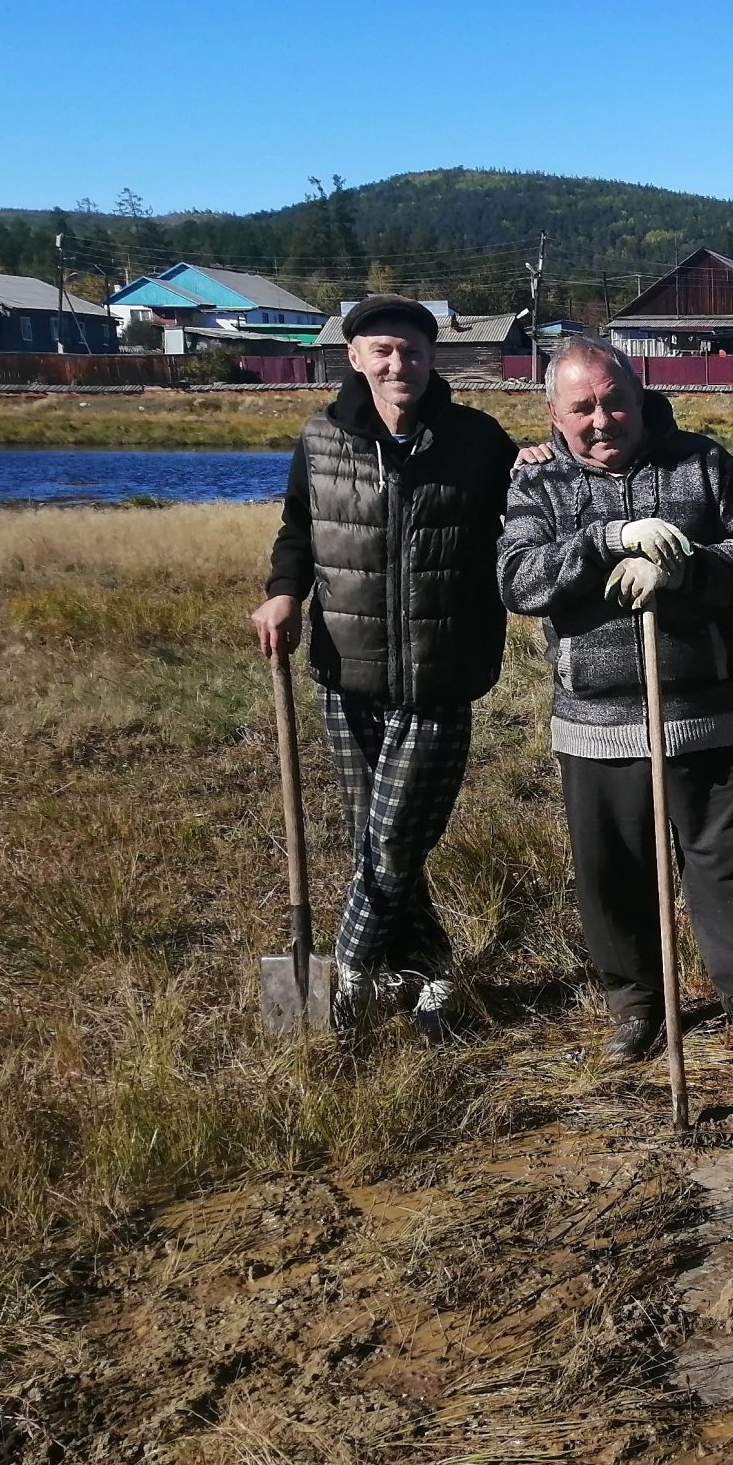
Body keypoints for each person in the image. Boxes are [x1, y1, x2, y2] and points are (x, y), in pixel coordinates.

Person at [497, 338, 733, 1059]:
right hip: (597, 722)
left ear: (639, 395)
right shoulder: (537, 485)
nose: (602, 419)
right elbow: (519, 580)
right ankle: (636, 1005)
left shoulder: (700, 463)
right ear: (554, 413)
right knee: (614, 877)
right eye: (582, 408)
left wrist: (686, 569)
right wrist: (606, 539)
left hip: (706, 711)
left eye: (613, 401)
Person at [250, 295, 515, 1038]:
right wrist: (282, 595)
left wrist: (537, 459)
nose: (400, 364)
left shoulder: (477, 440)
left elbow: (531, 507)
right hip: (348, 674)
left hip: (441, 674)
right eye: (383, 351)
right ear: (355, 358)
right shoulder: (321, 438)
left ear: (434, 359)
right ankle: (432, 976)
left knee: (395, 838)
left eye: (414, 350)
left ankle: (350, 976)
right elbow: (298, 529)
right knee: (375, 836)